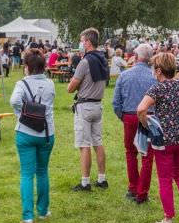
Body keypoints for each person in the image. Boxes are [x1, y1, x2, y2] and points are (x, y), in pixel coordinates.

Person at [137, 52, 179, 223]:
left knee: (165, 179)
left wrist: (146, 124)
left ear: (159, 71)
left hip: (164, 140)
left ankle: (168, 218)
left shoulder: (157, 89)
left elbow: (141, 109)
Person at [10, 49, 55, 223]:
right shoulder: (50, 83)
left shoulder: (21, 84)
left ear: (27, 66)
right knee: (43, 171)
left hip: (25, 132)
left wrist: (22, 113)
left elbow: (14, 101)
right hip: (46, 132)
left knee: (27, 174)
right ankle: (43, 211)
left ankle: (28, 216)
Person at [112, 43, 156, 204]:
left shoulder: (125, 75)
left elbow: (116, 102)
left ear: (136, 57)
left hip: (130, 116)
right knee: (146, 155)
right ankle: (142, 192)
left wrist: (123, 117)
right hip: (148, 117)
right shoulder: (154, 77)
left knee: (131, 152)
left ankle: (133, 187)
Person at [67, 27, 108, 191]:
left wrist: (73, 83)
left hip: (85, 105)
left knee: (84, 145)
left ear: (88, 42)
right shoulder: (102, 59)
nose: (81, 44)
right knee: (98, 142)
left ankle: (85, 182)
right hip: (98, 104)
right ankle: (102, 179)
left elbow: (71, 88)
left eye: (82, 41)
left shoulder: (85, 62)